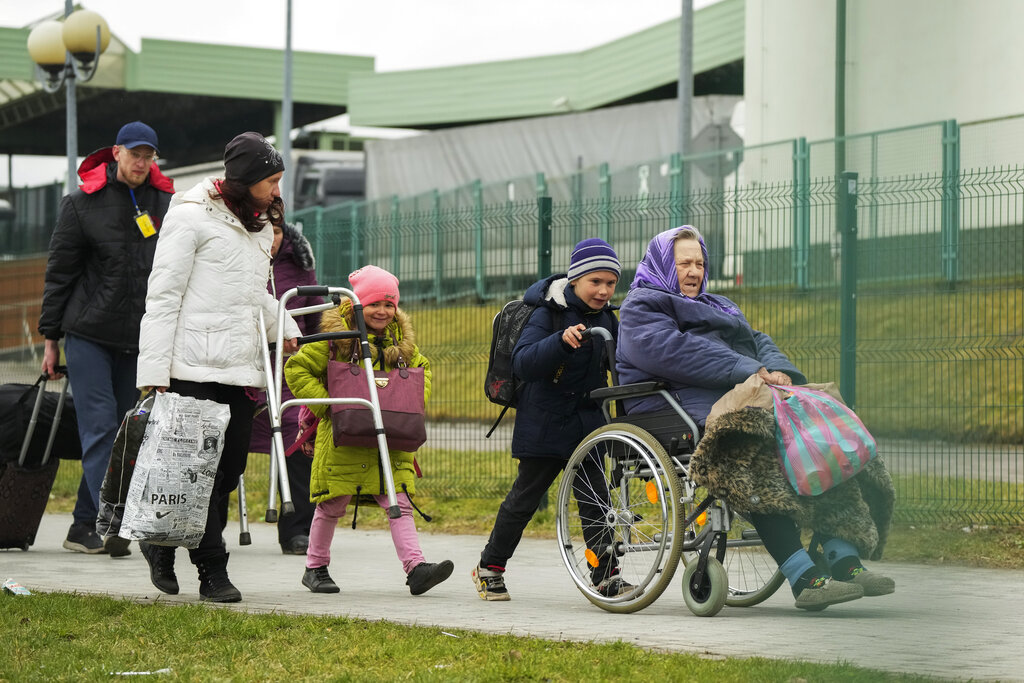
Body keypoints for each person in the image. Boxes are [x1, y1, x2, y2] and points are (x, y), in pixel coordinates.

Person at [616, 225, 895, 610]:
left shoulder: (720, 305)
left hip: (741, 393)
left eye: (699, 262)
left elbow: (756, 339)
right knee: (750, 443)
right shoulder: (642, 306)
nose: (694, 271)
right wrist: (746, 368)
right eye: (684, 263)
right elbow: (671, 351)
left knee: (823, 434)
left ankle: (843, 556)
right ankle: (803, 576)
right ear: (664, 264)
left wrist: (776, 370)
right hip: (675, 406)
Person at [135, 132, 302, 603]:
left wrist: (284, 325)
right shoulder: (189, 217)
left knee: (227, 473)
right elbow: (163, 296)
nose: (276, 189)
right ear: (246, 179)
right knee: (192, 471)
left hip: (242, 368)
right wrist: (154, 373)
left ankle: (160, 540)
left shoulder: (260, 225)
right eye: (270, 180)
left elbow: (250, 295)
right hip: (192, 365)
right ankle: (212, 569)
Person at [38, 121, 174, 557]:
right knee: (98, 428)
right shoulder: (81, 204)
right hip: (89, 333)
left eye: (148, 155)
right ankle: (111, 522)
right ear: (116, 152)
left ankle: (82, 527)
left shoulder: (167, 204)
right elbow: (60, 274)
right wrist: (50, 339)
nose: (141, 162)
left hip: (138, 338)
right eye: (135, 153)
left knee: (122, 432)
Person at [472, 238, 630, 601]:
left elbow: (618, 365)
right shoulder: (548, 312)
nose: (604, 290)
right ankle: (489, 567)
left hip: (586, 424)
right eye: (596, 282)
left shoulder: (607, 318)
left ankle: (605, 574)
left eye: (610, 283)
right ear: (575, 280)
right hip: (543, 423)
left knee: (596, 502)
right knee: (523, 501)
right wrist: (559, 341)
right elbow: (523, 362)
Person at [284, 265, 453, 596]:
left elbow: (423, 371)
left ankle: (416, 568)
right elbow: (297, 368)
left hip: (389, 438)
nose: (382, 311)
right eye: (374, 303)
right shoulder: (335, 342)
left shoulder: (400, 345)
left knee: (399, 501)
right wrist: (330, 406)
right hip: (343, 438)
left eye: (389, 304)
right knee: (332, 503)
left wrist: (411, 404)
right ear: (356, 304)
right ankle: (315, 567)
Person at [247, 218, 321, 555]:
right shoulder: (237, 254)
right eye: (265, 230)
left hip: (290, 366)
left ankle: (296, 529)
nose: (271, 238)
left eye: (276, 231)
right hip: (246, 361)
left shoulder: (299, 263)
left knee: (296, 431)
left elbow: (316, 320)